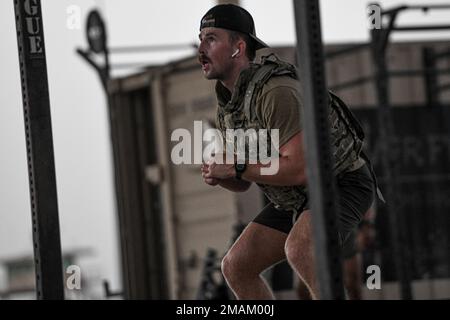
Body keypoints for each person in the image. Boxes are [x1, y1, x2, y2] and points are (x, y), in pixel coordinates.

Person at [198, 4, 376, 300]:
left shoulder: (276, 91)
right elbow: (244, 181)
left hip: (341, 184)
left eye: (211, 38)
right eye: (200, 38)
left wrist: (236, 167)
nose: (201, 48)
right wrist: (222, 174)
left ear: (237, 48)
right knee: (236, 266)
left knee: (302, 249)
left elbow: (299, 168)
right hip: (295, 195)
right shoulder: (228, 108)